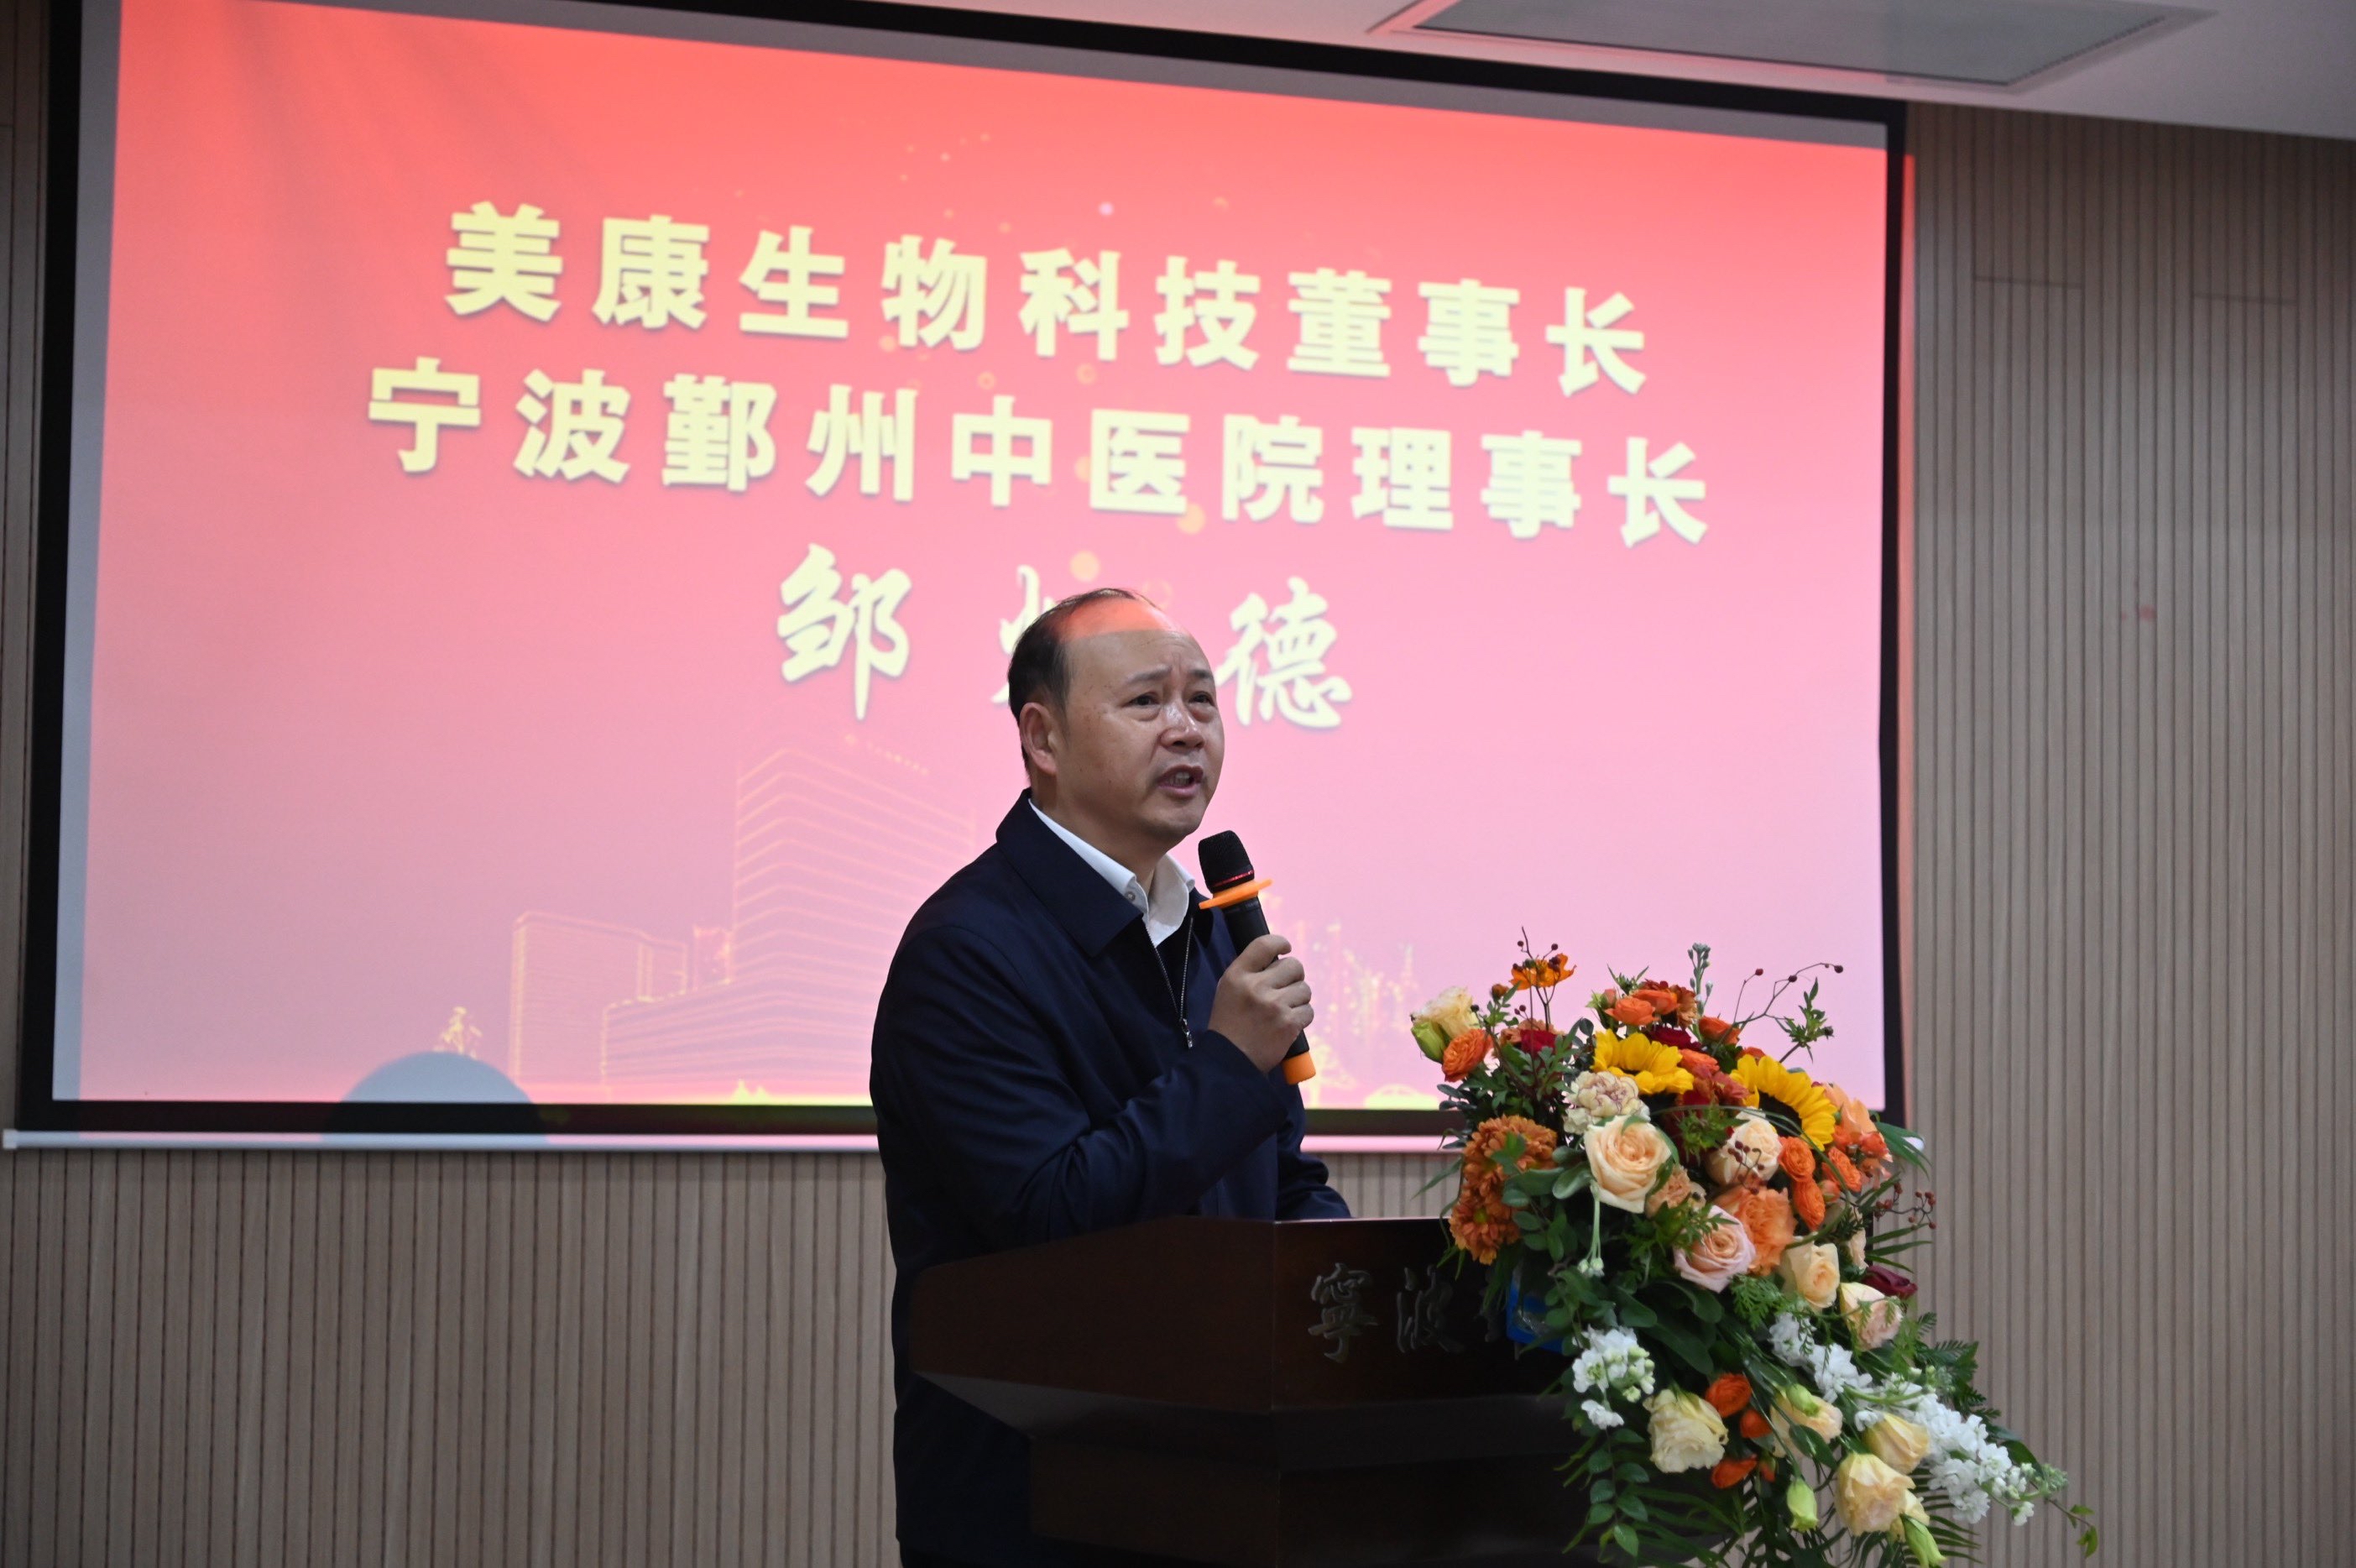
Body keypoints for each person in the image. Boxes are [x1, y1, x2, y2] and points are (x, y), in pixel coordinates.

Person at [872, 587, 1350, 1567]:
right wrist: (1228, 1062)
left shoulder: (1214, 931)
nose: (1185, 728)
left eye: (1201, 699)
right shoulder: (966, 950)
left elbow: (1279, 1180)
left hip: (1227, 1486)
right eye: (1145, 701)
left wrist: (1348, 1294)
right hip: (1040, 1507)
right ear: (1041, 738)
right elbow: (1050, 1215)